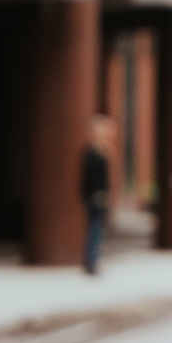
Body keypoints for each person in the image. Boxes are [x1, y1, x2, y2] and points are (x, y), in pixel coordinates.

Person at [80, 116, 114, 275]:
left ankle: (91, 261)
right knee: (94, 229)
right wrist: (94, 195)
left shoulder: (100, 151)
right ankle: (91, 262)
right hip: (96, 197)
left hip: (97, 196)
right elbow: (89, 178)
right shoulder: (93, 152)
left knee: (95, 229)